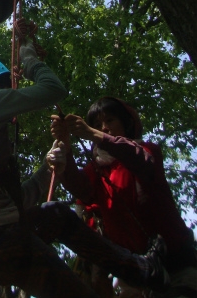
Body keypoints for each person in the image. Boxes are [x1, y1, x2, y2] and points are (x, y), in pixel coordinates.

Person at [0, 43, 169, 298]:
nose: (9, 92)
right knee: (59, 224)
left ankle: (142, 270)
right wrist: (29, 59)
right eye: (5, 85)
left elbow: (16, 203)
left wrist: (47, 167)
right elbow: (54, 89)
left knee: (54, 214)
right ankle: (145, 271)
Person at [51, 96, 197, 298]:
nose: (104, 127)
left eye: (110, 120)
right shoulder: (97, 169)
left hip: (177, 266)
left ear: (126, 123)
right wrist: (66, 151)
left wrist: (92, 133)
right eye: (97, 124)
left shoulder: (147, 151)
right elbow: (82, 190)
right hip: (136, 276)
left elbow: (139, 159)